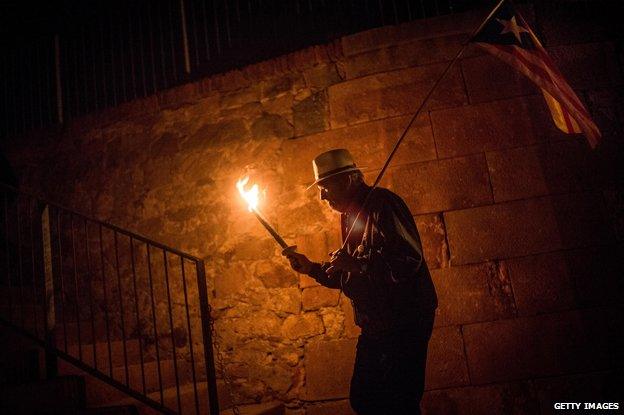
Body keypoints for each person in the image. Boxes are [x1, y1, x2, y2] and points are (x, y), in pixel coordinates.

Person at [283, 149, 438, 414]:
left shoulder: (383, 204)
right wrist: (311, 268)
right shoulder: (350, 215)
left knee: (399, 402)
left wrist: (357, 263)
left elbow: (408, 260)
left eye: (325, 187)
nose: (322, 197)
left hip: (404, 320)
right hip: (376, 323)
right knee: (364, 399)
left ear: (347, 181)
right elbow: (349, 276)